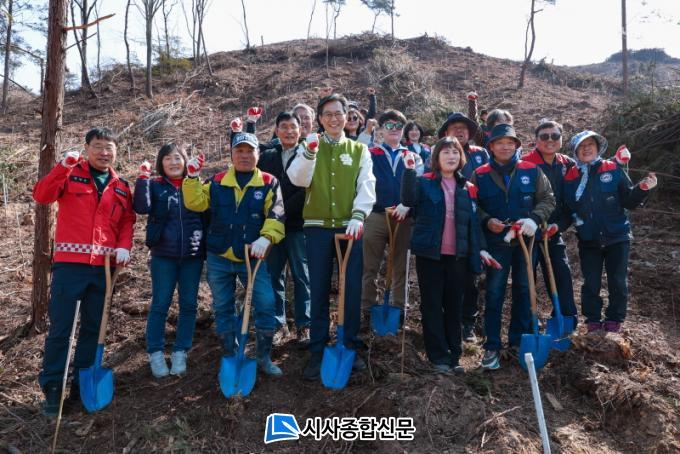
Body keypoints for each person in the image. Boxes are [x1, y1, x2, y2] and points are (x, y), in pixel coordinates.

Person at [33, 127, 135, 416]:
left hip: (104, 270)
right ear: (87, 148)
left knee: (93, 329)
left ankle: (82, 386)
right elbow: (42, 195)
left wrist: (124, 246)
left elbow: (127, 220)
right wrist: (62, 167)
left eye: (109, 147)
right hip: (70, 267)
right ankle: (53, 389)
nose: (104, 152)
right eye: (98, 146)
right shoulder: (71, 174)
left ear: (116, 152)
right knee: (62, 329)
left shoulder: (121, 186)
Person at [287, 93, 376, 381]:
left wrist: (359, 215)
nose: (334, 118)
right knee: (319, 288)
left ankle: (348, 343)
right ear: (320, 118)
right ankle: (317, 349)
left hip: (350, 227)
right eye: (328, 114)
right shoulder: (309, 145)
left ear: (348, 116)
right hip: (317, 229)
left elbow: (367, 184)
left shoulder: (359, 149)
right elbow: (298, 179)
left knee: (351, 289)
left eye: (339, 113)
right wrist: (310, 153)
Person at [182, 132, 286, 376]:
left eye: (250, 151)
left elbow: (277, 213)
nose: (245, 156)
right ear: (231, 154)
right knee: (222, 307)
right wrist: (192, 178)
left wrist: (267, 237)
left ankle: (263, 356)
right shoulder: (217, 181)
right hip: (219, 255)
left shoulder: (268, 182)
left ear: (258, 154)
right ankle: (230, 354)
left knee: (266, 303)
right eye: (239, 151)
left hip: (252, 257)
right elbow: (196, 203)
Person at [401, 137, 500, 373]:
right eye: (445, 152)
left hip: (459, 256)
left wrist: (481, 249)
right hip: (430, 255)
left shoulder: (468, 187)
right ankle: (438, 356)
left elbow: (472, 223)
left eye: (455, 152)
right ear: (436, 158)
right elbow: (408, 200)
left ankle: (454, 355)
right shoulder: (424, 182)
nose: (451, 156)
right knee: (432, 305)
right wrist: (409, 172)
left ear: (461, 158)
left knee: (454, 305)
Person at [471, 124, 555, 370]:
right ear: (491, 147)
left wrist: (534, 219)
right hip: (496, 242)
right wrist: (487, 220)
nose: (505, 147)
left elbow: (548, 199)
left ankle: (519, 341)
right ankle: (492, 346)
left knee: (524, 289)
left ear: (516, 146)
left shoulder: (532, 170)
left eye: (510, 143)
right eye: (500, 143)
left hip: (526, 241)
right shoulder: (480, 174)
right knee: (495, 291)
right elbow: (472, 206)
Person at [563, 131, 657, 333]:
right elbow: (566, 209)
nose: (586, 149)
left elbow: (629, 201)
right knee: (591, 283)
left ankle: (614, 319)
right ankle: (593, 321)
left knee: (617, 281)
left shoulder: (612, 168)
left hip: (617, 236)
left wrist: (643, 188)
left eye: (590, 144)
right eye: (581, 146)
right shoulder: (570, 176)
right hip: (588, 240)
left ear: (598, 148)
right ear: (575, 152)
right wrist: (555, 224)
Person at [133, 143, 206, 378]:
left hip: (192, 255)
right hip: (163, 255)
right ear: (160, 163)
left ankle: (180, 351)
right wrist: (142, 179)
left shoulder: (196, 183)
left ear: (185, 161)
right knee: (160, 304)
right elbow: (141, 207)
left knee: (189, 305)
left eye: (177, 158)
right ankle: (155, 352)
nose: (173, 163)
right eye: (167, 158)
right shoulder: (155, 185)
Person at [360, 110, 423, 329]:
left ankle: (398, 311)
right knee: (369, 266)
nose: (394, 129)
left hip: (404, 218)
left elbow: (418, 185)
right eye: (389, 125)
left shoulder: (413, 156)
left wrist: (408, 205)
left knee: (401, 267)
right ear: (381, 130)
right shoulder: (370, 153)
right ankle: (367, 309)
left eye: (398, 126)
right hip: (376, 215)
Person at [257, 112, 311, 347]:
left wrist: (281, 210)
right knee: (273, 275)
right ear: (276, 131)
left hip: (297, 225)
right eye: (284, 127)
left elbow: (307, 189)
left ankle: (304, 325)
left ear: (301, 130)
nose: (289, 131)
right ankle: (278, 324)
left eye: (293, 127)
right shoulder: (267, 156)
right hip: (271, 227)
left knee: (302, 276)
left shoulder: (308, 154)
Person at [437, 112, 490, 342]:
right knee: (445, 278)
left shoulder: (480, 154)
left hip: (475, 222)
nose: (459, 131)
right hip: (447, 226)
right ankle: (446, 322)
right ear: (446, 133)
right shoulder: (439, 153)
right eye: (454, 128)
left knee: (471, 278)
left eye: (464, 128)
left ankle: (468, 323)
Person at [522, 120, 578, 324]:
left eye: (555, 136)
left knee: (561, 273)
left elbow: (571, 202)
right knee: (526, 278)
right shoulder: (524, 163)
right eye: (544, 136)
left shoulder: (568, 164)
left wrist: (559, 226)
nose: (550, 140)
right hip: (528, 231)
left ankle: (566, 320)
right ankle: (528, 322)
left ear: (561, 139)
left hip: (553, 231)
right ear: (536, 140)